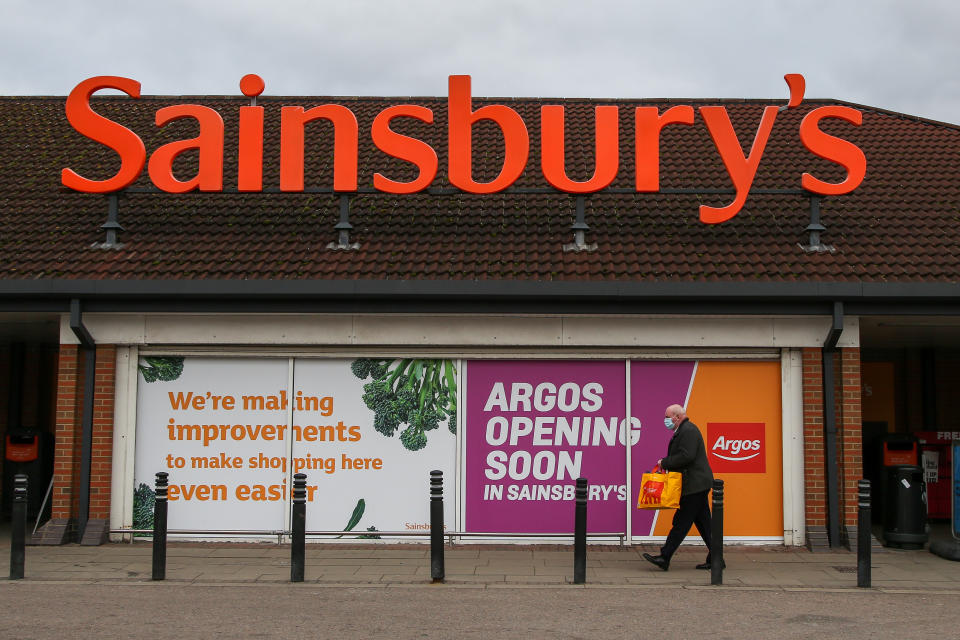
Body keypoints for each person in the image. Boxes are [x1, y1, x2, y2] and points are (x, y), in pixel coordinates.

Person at [642, 404, 721, 571]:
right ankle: (717, 558)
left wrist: (665, 462)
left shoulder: (689, 431)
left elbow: (687, 455)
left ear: (676, 417)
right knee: (704, 523)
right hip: (695, 483)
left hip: (694, 484)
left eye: (667, 417)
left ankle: (665, 557)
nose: (665, 420)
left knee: (681, 522)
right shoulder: (684, 430)